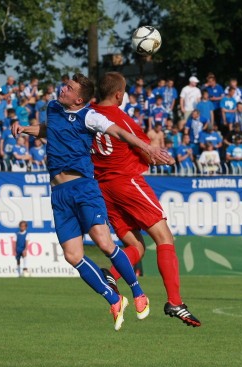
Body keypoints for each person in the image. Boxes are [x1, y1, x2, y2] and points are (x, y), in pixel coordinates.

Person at [12, 73, 172, 331]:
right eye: (64, 85)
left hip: (84, 188)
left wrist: (148, 148)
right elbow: (50, 131)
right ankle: (114, 299)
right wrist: (26, 129)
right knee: (72, 255)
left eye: (68, 88)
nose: (62, 89)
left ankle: (138, 291)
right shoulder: (53, 108)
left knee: (104, 242)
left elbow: (119, 132)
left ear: (79, 99)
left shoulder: (90, 116)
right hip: (59, 194)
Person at [90, 72, 201, 327]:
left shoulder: (89, 115)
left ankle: (110, 275)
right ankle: (175, 301)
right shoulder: (121, 119)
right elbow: (145, 149)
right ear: (119, 95)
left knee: (136, 247)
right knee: (164, 238)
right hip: (127, 183)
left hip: (104, 189)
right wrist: (156, 156)